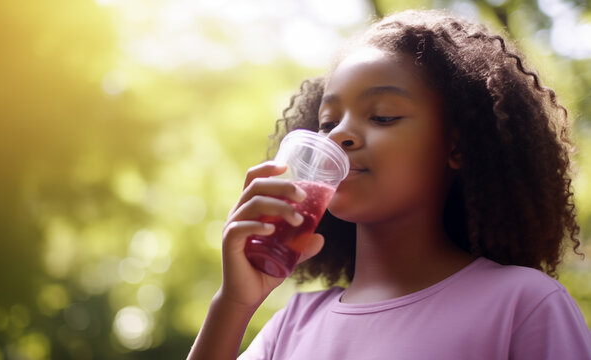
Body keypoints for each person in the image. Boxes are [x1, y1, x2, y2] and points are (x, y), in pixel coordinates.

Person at [187, 9, 591, 360]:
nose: (337, 137)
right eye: (328, 123)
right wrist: (234, 304)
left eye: (382, 116)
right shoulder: (290, 327)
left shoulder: (523, 306)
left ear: (458, 146)